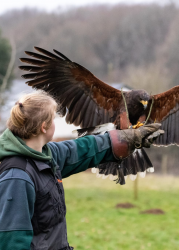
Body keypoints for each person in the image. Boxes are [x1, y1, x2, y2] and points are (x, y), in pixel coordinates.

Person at [0, 91, 162, 250]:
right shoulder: (17, 177)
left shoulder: (44, 154)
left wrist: (126, 140)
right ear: (44, 127)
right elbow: (11, 241)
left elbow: (80, 150)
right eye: (54, 119)